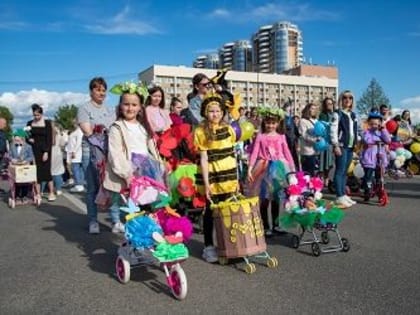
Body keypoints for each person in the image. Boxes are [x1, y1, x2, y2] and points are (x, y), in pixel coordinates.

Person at [103, 84, 160, 233]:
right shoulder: (117, 127)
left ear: (140, 107)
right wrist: (126, 174)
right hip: (127, 175)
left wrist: (160, 166)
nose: (130, 108)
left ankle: (144, 246)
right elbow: (115, 153)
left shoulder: (143, 127)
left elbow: (152, 149)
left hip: (146, 174)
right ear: (120, 106)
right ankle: (133, 249)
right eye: (126, 104)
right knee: (131, 214)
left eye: (134, 104)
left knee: (147, 212)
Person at [194, 92, 239, 263]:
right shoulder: (200, 131)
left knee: (228, 212)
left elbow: (233, 155)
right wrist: (206, 184)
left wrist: (236, 180)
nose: (216, 114)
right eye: (212, 111)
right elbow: (204, 159)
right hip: (212, 176)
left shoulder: (228, 129)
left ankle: (227, 244)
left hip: (228, 176)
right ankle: (208, 246)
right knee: (210, 212)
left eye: (218, 111)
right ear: (205, 112)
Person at [247, 109, 295, 236]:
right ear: (264, 123)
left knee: (276, 198)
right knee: (264, 198)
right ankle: (265, 226)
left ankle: (276, 225)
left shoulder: (281, 137)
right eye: (268, 123)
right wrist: (250, 167)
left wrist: (292, 169)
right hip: (263, 167)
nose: (270, 125)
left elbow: (287, 153)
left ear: (278, 123)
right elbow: (255, 153)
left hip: (279, 168)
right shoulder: (260, 137)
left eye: (273, 123)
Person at [77, 77, 115, 234]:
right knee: (92, 187)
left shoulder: (110, 109)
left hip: (108, 150)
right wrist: (101, 129)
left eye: (103, 90)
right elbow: (88, 131)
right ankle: (93, 221)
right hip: (91, 151)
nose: (101, 93)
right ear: (91, 91)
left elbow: (114, 129)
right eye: (98, 89)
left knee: (112, 186)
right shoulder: (84, 109)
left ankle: (116, 220)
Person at [330, 90, 359, 208]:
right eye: (345, 98)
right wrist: (335, 145)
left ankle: (343, 194)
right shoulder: (338, 114)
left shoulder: (353, 115)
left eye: (350, 98)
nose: (348, 100)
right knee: (340, 170)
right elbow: (333, 130)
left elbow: (355, 131)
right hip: (341, 145)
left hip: (350, 146)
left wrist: (357, 143)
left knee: (345, 172)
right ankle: (339, 196)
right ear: (341, 100)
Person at [27, 104, 55, 201]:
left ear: (42, 114)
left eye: (38, 115)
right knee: (36, 172)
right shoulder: (29, 123)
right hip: (34, 150)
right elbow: (27, 136)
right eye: (34, 115)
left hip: (45, 149)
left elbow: (50, 139)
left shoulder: (47, 123)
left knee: (47, 171)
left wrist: (46, 152)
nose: (36, 117)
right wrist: (29, 140)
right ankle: (38, 193)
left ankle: (51, 192)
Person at [360, 112, 391, 200]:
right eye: (372, 124)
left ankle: (380, 192)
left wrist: (383, 130)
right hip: (369, 158)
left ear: (380, 124)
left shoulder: (381, 132)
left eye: (376, 124)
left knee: (379, 177)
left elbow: (388, 140)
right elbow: (366, 139)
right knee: (368, 176)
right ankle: (367, 191)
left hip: (380, 158)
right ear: (369, 124)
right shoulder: (367, 132)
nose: (374, 126)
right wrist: (374, 141)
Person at [9, 129, 34, 202]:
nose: (16, 142)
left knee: (25, 181)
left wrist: (26, 161)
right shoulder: (12, 145)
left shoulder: (28, 146)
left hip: (25, 166)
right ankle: (16, 195)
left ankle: (24, 195)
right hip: (15, 166)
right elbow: (9, 155)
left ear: (22, 139)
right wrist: (12, 159)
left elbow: (31, 156)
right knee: (16, 181)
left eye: (18, 140)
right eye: (15, 140)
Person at [298, 103, 320, 176]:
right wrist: (315, 139)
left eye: (315, 109)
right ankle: (306, 186)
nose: (314, 110)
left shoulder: (316, 121)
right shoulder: (303, 121)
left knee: (314, 172)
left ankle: (313, 186)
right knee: (307, 173)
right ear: (308, 110)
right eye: (312, 108)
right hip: (307, 151)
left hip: (316, 151)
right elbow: (304, 135)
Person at [318, 97, 335, 186]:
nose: (329, 105)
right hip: (324, 141)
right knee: (323, 160)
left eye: (331, 103)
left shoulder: (335, 114)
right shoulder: (322, 115)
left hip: (333, 141)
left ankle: (327, 178)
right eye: (327, 104)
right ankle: (321, 178)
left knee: (330, 160)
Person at [67, 120, 84, 193]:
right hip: (74, 152)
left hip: (76, 153)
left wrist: (74, 151)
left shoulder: (79, 131)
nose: (73, 124)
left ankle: (79, 184)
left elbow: (78, 142)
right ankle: (79, 183)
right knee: (78, 169)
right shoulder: (76, 131)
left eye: (74, 123)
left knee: (75, 169)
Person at [50, 122, 66, 196]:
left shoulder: (46, 133)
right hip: (57, 154)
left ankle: (45, 190)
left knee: (48, 173)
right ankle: (58, 189)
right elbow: (62, 144)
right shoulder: (58, 133)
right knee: (58, 173)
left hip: (49, 154)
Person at [283, 102, 299, 170]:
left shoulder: (291, 119)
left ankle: (295, 171)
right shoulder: (283, 119)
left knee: (294, 159)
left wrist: (297, 141)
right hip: (285, 142)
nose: (291, 110)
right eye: (289, 108)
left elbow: (296, 132)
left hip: (292, 142)